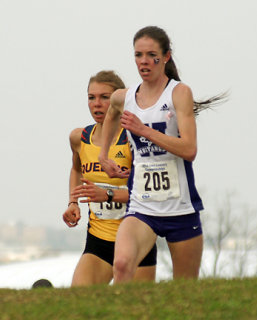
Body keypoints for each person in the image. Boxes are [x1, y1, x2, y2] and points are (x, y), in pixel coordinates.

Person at [99, 26, 226, 283]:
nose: (144, 61)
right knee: (122, 264)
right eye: (138, 55)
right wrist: (105, 154)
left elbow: (189, 149)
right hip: (142, 207)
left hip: (180, 209)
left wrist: (143, 130)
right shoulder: (125, 97)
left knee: (184, 291)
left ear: (165, 57)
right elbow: (112, 110)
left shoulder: (179, 93)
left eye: (151, 54)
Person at [62, 70, 157, 286]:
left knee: (133, 310)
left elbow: (148, 194)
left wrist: (107, 195)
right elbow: (76, 169)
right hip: (99, 239)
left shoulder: (134, 139)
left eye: (105, 97)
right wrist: (72, 202)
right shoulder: (79, 138)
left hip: (137, 239)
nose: (97, 104)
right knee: (80, 301)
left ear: (118, 100)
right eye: (91, 97)